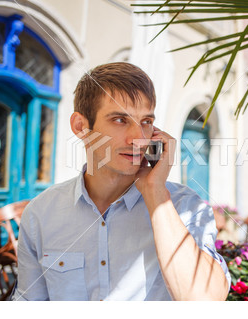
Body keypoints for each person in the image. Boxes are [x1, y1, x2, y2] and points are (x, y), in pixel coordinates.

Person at [13, 62, 230, 301]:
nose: (138, 138)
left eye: (146, 122)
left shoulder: (186, 207)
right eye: (119, 120)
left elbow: (206, 303)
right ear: (81, 127)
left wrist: (156, 193)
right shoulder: (41, 213)